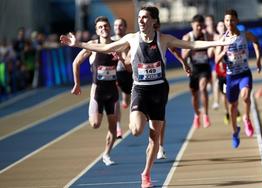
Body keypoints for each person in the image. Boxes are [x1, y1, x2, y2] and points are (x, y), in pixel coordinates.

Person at [60, 5, 234, 188]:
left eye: (145, 17)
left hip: (158, 91)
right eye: (139, 17)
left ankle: (146, 174)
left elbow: (192, 44)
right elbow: (105, 47)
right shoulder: (132, 39)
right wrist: (78, 44)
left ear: (153, 21)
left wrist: (220, 43)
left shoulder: (163, 39)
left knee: (155, 137)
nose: (141, 20)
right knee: (135, 130)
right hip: (141, 90)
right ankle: (139, 122)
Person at [70, 16, 119, 166]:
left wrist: (122, 59)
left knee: (113, 127)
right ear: (97, 31)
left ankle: (106, 154)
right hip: (97, 91)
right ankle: (94, 108)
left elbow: (129, 63)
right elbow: (76, 62)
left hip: (112, 91)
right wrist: (77, 84)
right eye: (100, 27)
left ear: (109, 28)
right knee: (95, 124)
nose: (104, 29)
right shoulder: (92, 45)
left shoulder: (118, 45)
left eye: (105, 26)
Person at [215, 9, 261, 148]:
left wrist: (258, 59)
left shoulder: (244, 34)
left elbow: (256, 41)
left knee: (246, 96)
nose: (229, 23)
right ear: (225, 22)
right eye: (227, 20)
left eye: (232, 20)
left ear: (237, 21)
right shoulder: (222, 39)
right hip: (231, 77)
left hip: (244, 73)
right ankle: (235, 132)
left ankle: (247, 118)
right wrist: (223, 51)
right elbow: (216, 60)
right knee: (232, 107)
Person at [182, 14, 212, 129]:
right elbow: (183, 56)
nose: (199, 28)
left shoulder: (206, 35)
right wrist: (191, 47)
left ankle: (206, 115)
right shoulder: (187, 37)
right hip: (193, 69)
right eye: (197, 25)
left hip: (204, 67)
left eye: (201, 26)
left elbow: (214, 44)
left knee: (203, 88)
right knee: (194, 95)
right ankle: (196, 114)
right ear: (192, 25)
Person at [111, 18, 133, 139]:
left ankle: (125, 101)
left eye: (120, 25)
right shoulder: (110, 41)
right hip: (113, 73)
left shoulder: (130, 40)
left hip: (127, 72)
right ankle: (118, 127)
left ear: (125, 27)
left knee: (126, 99)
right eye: (116, 25)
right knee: (115, 99)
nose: (118, 28)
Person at [205, 15, 220, 110]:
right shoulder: (203, 33)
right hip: (205, 61)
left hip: (214, 61)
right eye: (207, 20)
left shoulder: (217, 33)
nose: (209, 22)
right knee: (209, 82)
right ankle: (209, 82)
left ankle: (215, 101)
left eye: (211, 20)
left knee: (216, 81)